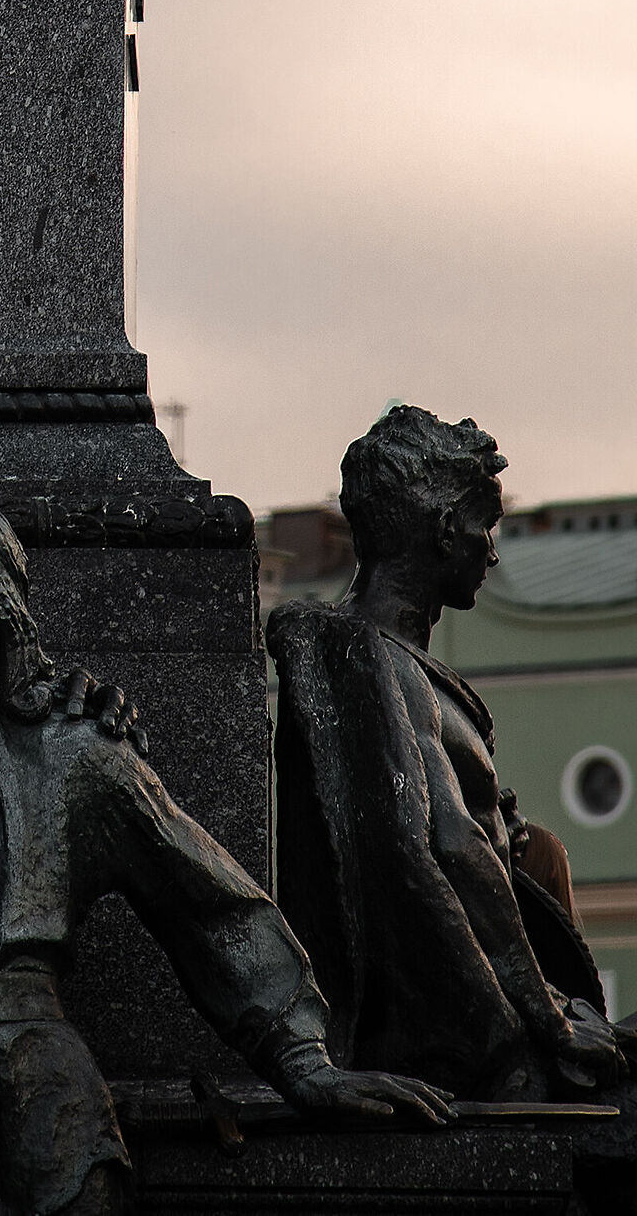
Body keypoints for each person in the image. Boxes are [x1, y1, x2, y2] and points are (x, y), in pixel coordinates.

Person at [0, 498, 454, 1216]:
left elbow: (210, 906)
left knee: (85, 1188)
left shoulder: (77, 755)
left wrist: (304, 1063)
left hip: (33, 1045)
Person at [269, 406, 627, 1104]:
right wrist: (547, 1022)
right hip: (469, 1042)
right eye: (483, 526)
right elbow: (449, 843)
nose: (492, 551)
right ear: (442, 531)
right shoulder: (373, 658)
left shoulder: (395, 665)